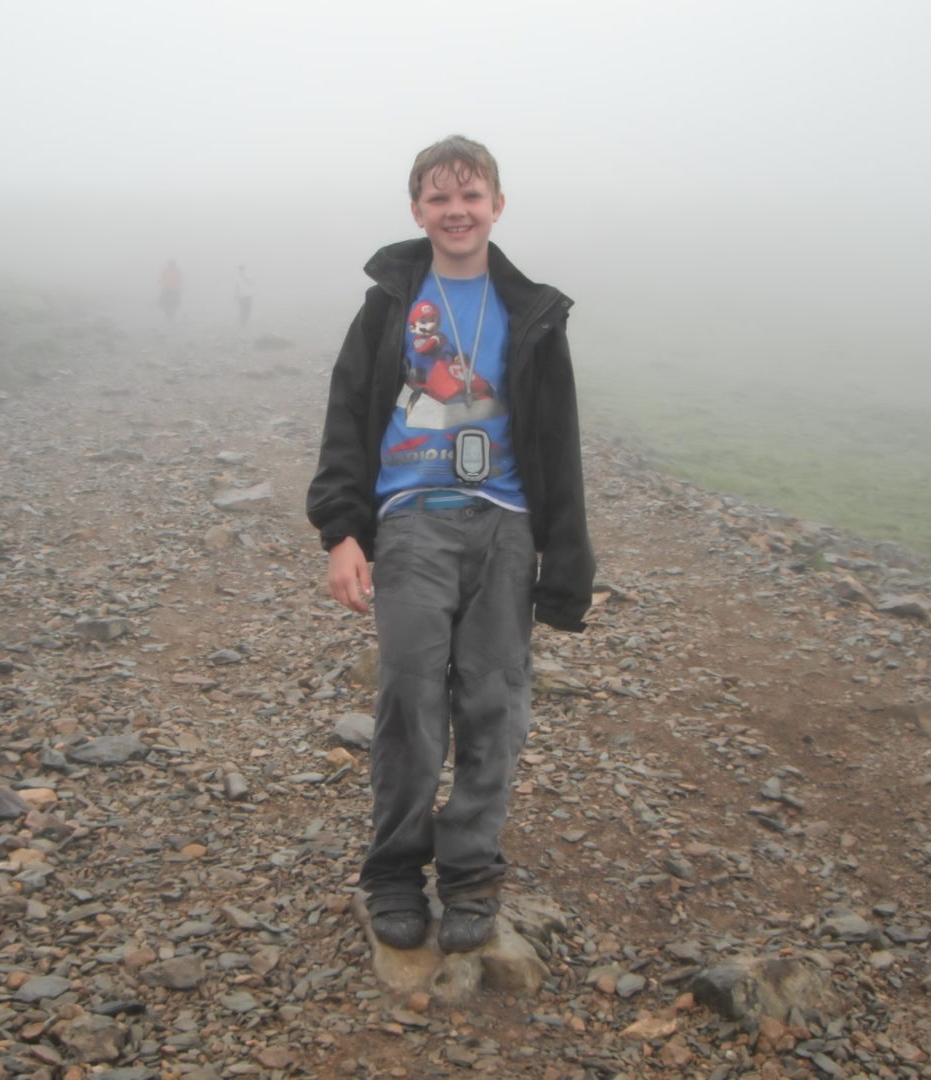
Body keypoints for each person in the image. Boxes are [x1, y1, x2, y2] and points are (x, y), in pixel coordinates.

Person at [306, 136, 594, 953]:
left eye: (471, 197)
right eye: (439, 198)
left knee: (494, 707)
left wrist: (567, 563)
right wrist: (342, 532)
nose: (456, 211)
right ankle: (394, 871)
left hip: (507, 526)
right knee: (407, 698)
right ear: (416, 211)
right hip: (412, 520)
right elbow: (346, 417)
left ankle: (470, 875)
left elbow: (559, 444)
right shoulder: (390, 303)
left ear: (497, 206)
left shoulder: (534, 312)